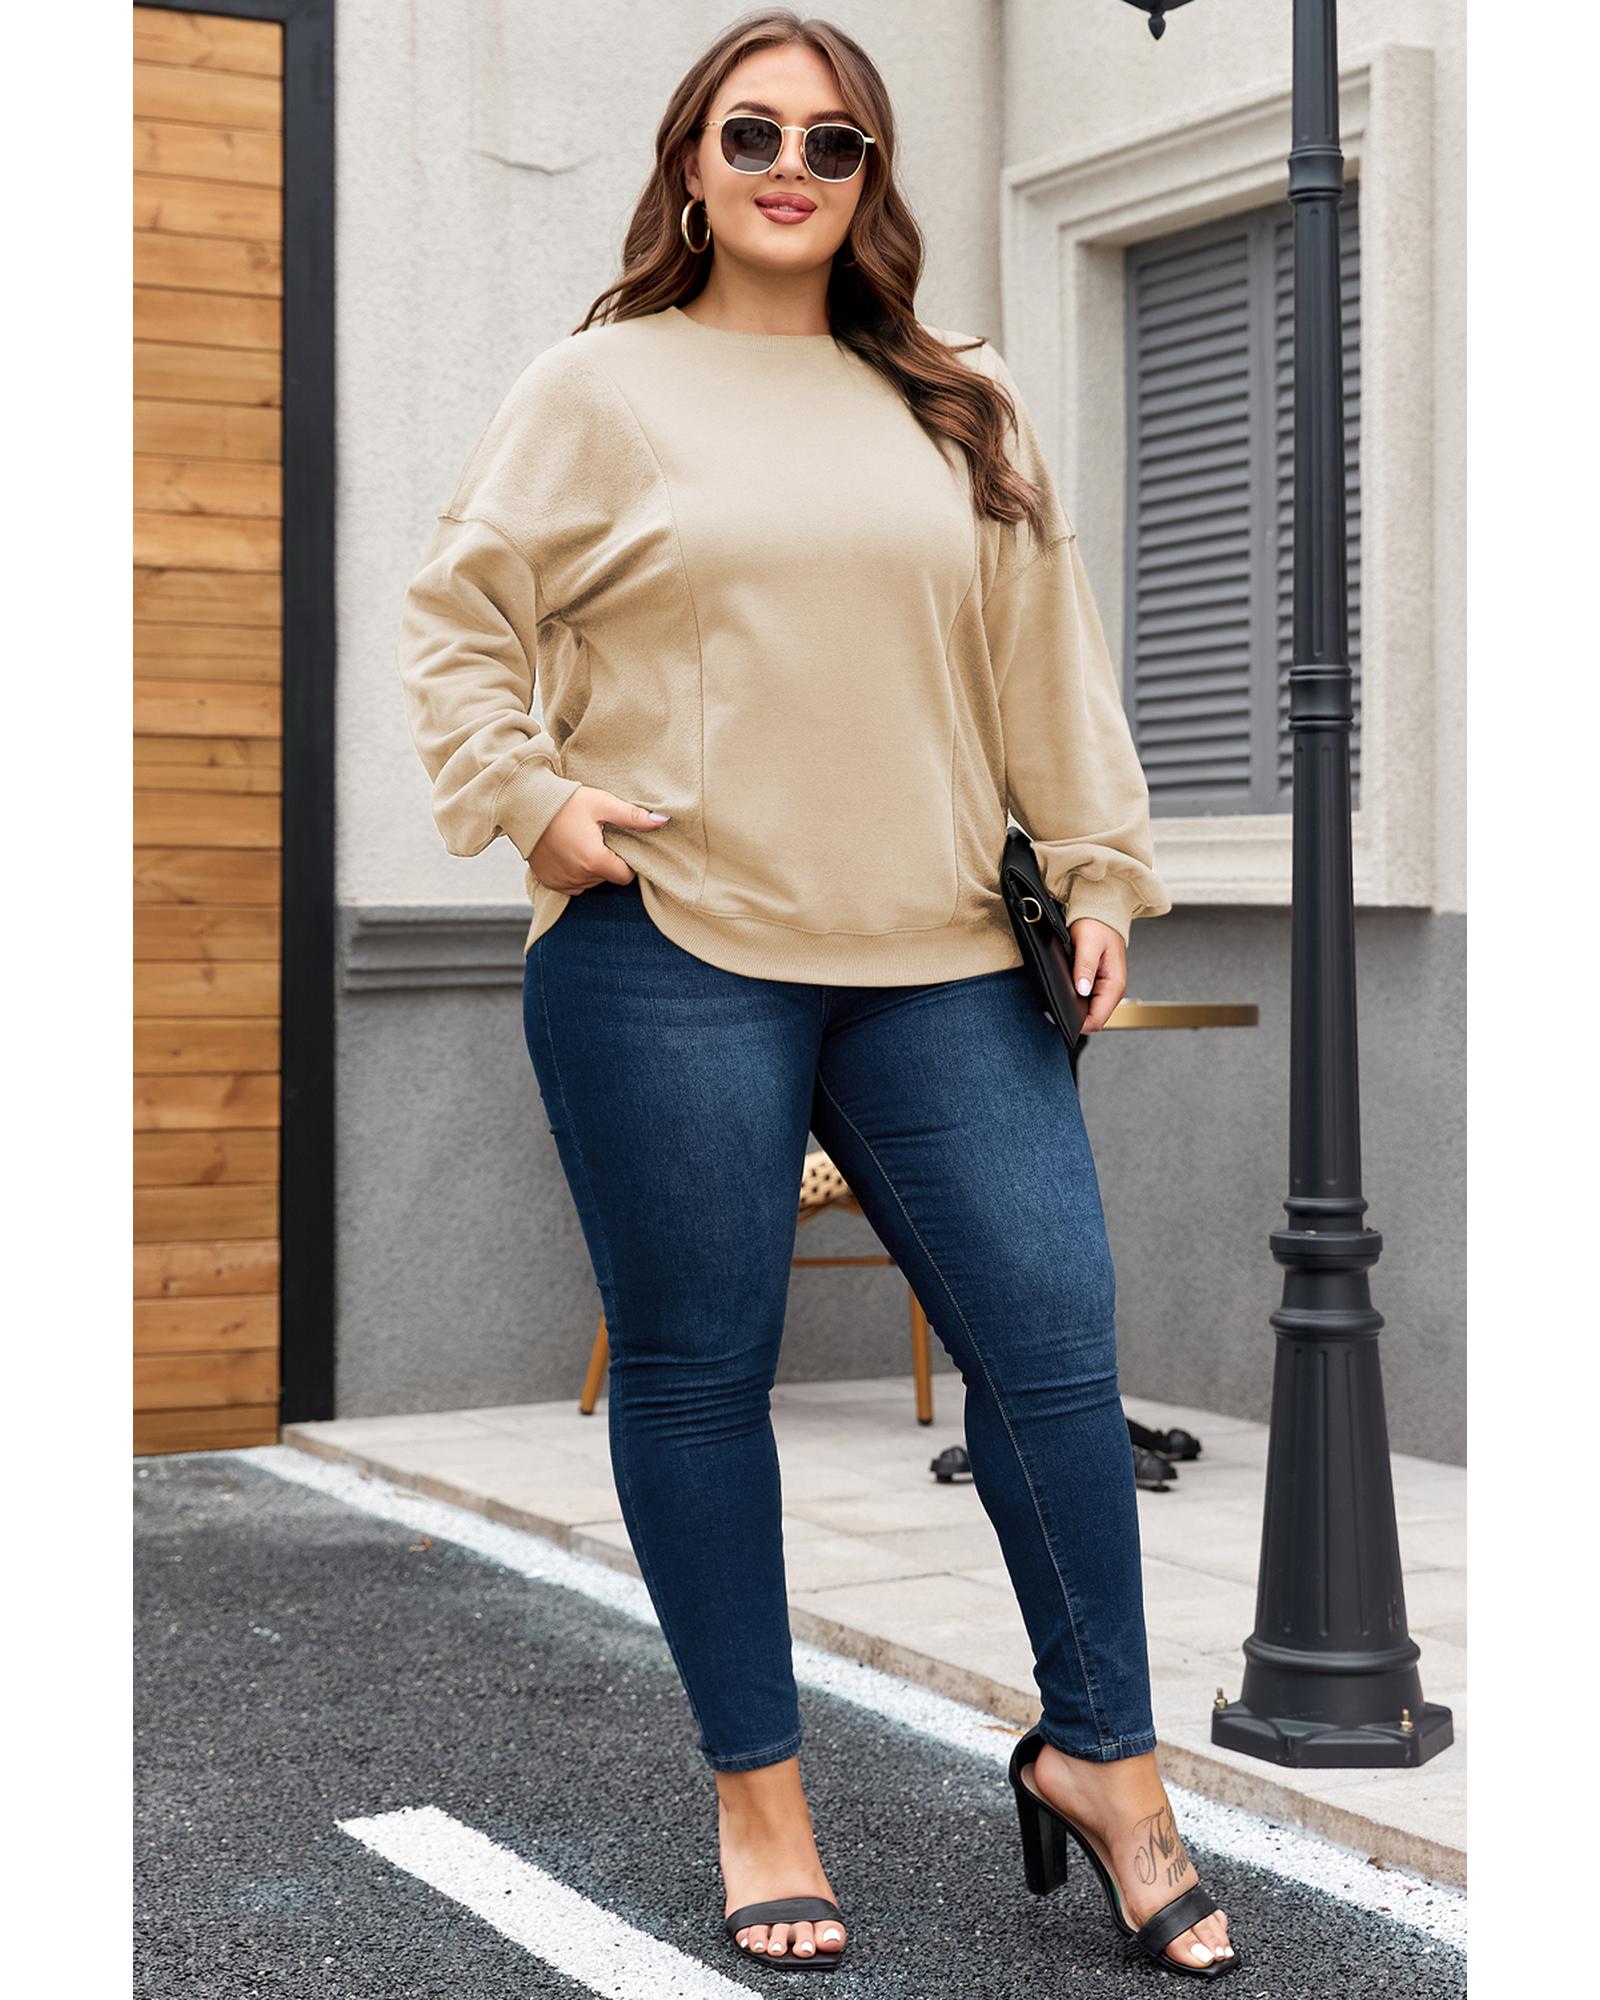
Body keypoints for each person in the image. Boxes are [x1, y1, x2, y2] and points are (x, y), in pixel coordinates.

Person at [397, 8, 1240, 1981]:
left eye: (832, 141)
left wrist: (1097, 864)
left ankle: (1105, 1759)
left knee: (1051, 1351)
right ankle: (760, 1792)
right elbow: (459, 620)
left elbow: (1045, 657)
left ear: (870, 179)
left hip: (942, 955)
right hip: (669, 943)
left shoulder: (960, 399)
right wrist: (533, 802)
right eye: (752, 132)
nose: (791, 165)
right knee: (700, 1369)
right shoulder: (597, 385)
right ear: (691, 165)